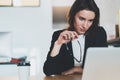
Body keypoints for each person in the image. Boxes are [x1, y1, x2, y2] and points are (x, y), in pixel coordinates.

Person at [43, 0, 108, 76]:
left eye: (90, 20)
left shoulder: (99, 33)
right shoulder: (59, 35)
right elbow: (49, 71)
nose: (85, 25)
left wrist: (76, 69)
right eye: (81, 19)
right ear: (73, 15)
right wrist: (58, 44)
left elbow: (103, 67)